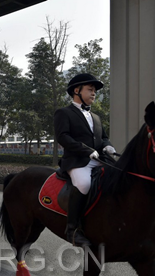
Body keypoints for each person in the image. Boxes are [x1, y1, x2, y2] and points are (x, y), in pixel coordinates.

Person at [54, 73, 116, 247]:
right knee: (84, 184)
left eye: (94, 91)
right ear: (76, 90)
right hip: (77, 161)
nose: (94, 93)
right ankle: (72, 230)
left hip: (99, 158)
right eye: (90, 89)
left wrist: (108, 146)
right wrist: (86, 150)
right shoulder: (64, 113)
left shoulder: (96, 117)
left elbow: (103, 137)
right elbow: (63, 137)